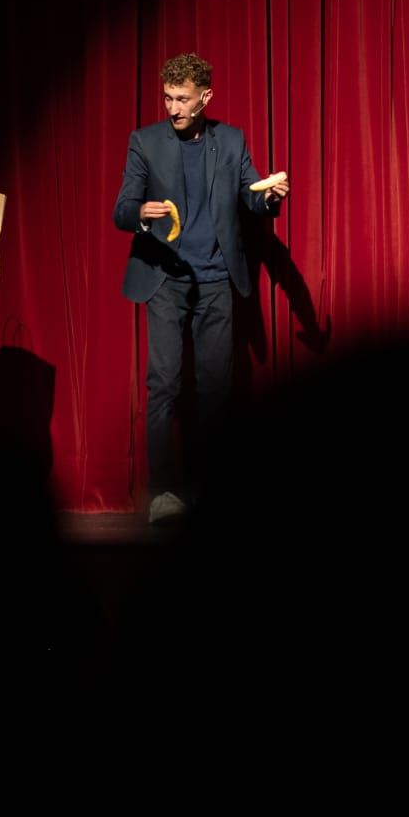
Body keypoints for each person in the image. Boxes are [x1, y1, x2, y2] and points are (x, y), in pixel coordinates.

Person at [113, 51, 290, 522]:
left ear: (205, 97)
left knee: (215, 391)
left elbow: (252, 196)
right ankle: (162, 494)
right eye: (168, 98)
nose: (173, 108)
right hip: (165, 280)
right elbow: (122, 208)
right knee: (164, 386)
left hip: (215, 281)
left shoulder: (230, 140)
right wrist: (141, 213)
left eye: (183, 99)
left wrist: (270, 198)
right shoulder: (145, 141)